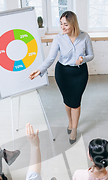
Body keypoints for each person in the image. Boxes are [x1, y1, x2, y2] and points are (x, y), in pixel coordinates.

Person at [29, 11, 94, 145]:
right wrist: (39, 69)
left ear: (73, 24)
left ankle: (74, 128)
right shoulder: (58, 38)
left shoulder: (85, 37)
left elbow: (91, 55)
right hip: (63, 73)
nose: (62, 27)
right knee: (67, 100)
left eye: (65, 24)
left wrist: (83, 59)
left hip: (80, 73)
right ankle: (70, 121)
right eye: (61, 24)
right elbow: (51, 58)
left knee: (75, 102)